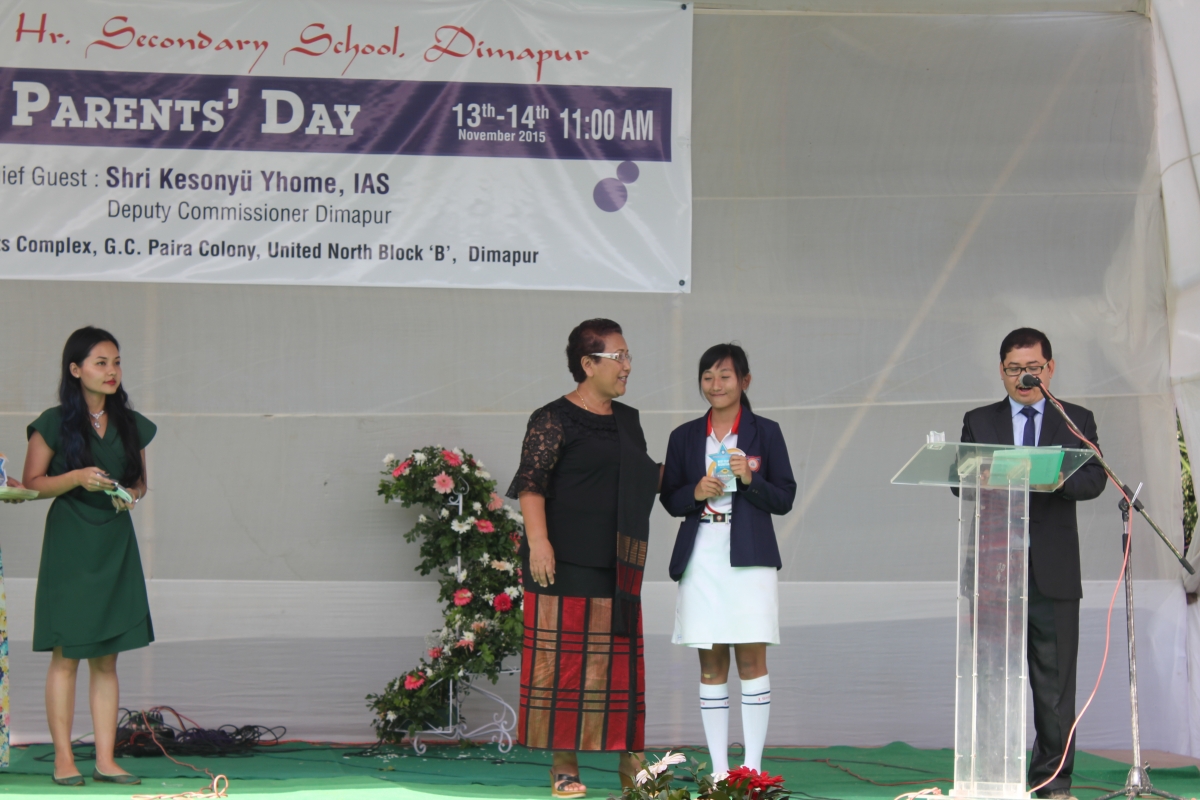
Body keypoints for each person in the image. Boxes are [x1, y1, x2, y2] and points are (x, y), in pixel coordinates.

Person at [506, 319, 660, 798]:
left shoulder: (628, 420)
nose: (627, 366)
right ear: (588, 364)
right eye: (619, 357)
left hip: (618, 563)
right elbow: (531, 484)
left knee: (619, 668)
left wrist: (693, 477)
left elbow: (641, 478)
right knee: (563, 667)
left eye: (628, 356)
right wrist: (539, 542)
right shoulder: (552, 417)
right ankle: (564, 766)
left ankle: (632, 763)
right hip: (562, 562)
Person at [957, 328, 1106, 799]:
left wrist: (1052, 477)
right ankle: (990, 778)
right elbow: (960, 481)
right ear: (1001, 371)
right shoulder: (978, 421)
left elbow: (1095, 480)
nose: (1024, 378)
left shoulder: (1075, 419)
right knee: (991, 677)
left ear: (1050, 369)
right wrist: (994, 472)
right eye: (1014, 369)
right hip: (994, 569)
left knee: (1054, 683)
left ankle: (1051, 781)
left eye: (1033, 369)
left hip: (1052, 572)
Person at [22, 326, 156, 787]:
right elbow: (32, 483)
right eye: (101, 362)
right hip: (71, 541)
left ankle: (105, 760)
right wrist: (77, 477)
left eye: (116, 362)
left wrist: (130, 495)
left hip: (115, 539)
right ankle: (63, 759)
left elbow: (140, 482)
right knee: (66, 655)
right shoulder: (54, 421)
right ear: (76, 370)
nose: (111, 371)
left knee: (107, 658)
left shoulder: (130, 423)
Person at [660, 343, 796, 775]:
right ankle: (720, 773)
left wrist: (750, 479)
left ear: (744, 381)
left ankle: (751, 771)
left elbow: (785, 498)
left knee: (752, 660)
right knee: (712, 662)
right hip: (702, 556)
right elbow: (670, 498)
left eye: (725, 376)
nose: (715, 384)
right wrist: (695, 492)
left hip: (750, 558)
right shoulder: (684, 436)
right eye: (707, 377)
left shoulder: (765, 432)